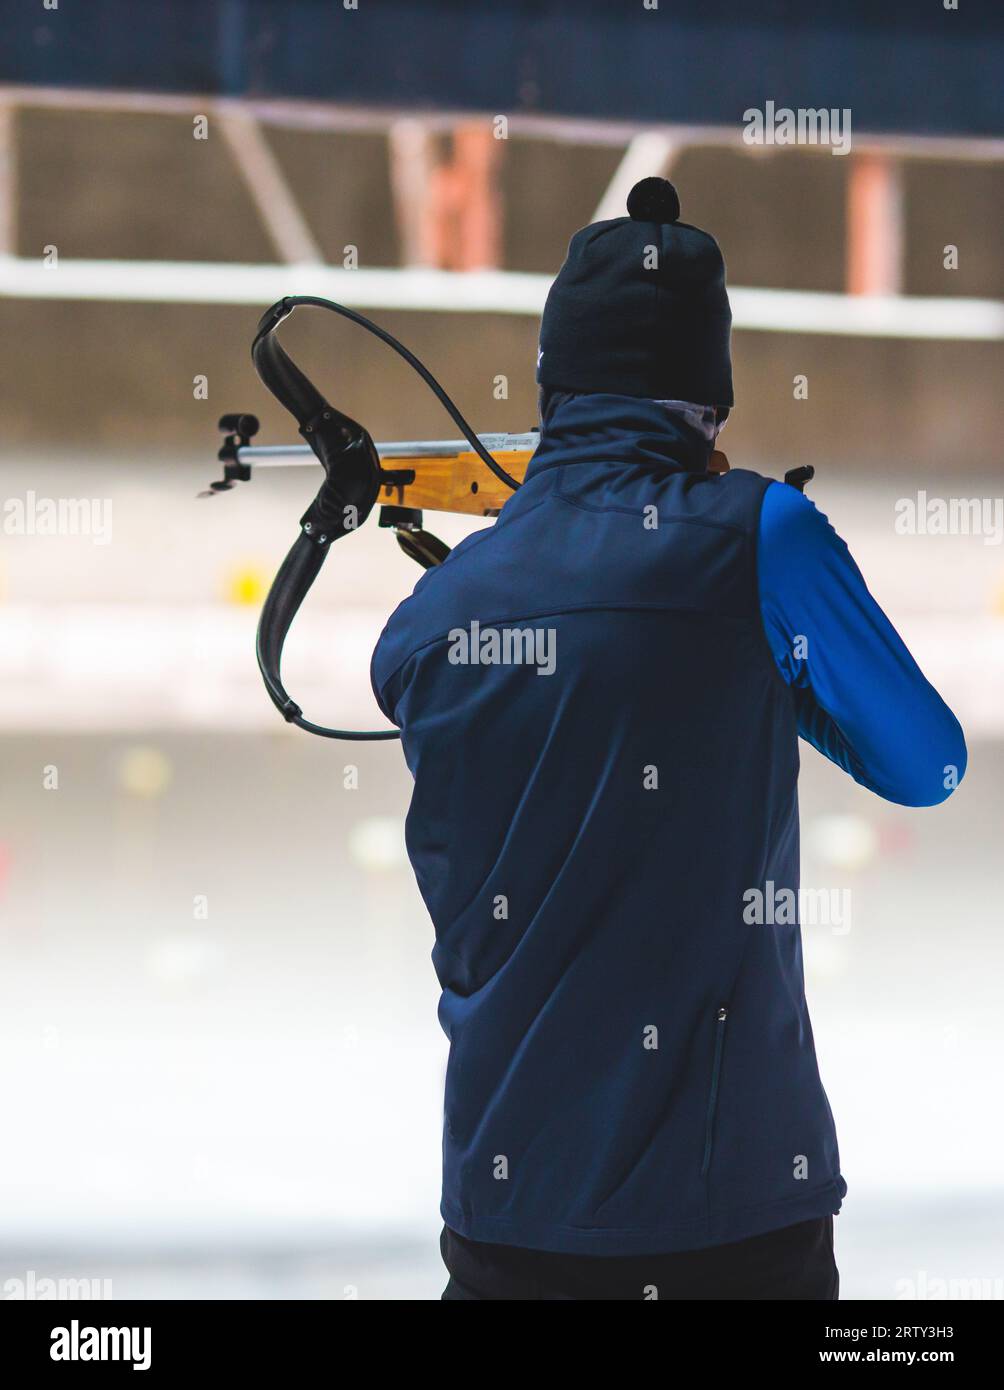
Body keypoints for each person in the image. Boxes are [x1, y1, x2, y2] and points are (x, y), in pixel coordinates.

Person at [370, 178, 967, 1300]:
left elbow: (440, 687)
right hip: (730, 1219)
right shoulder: (760, 537)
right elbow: (927, 763)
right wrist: (770, 665)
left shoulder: (437, 614)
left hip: (510, 1221)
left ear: (552, 383)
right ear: (708, 395)